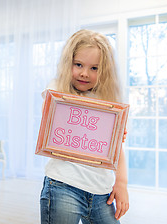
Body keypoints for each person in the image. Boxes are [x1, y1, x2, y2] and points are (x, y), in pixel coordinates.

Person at [40, 29, 129, 224]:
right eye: (78, 64)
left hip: (101, 191)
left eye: (94, 68)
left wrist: (121, 183)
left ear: (104, 71)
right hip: (63, 185)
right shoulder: (57, 89)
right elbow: (52, 120)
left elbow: (117, 148)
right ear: (67, 63)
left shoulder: (108, 101)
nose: (84, 73)